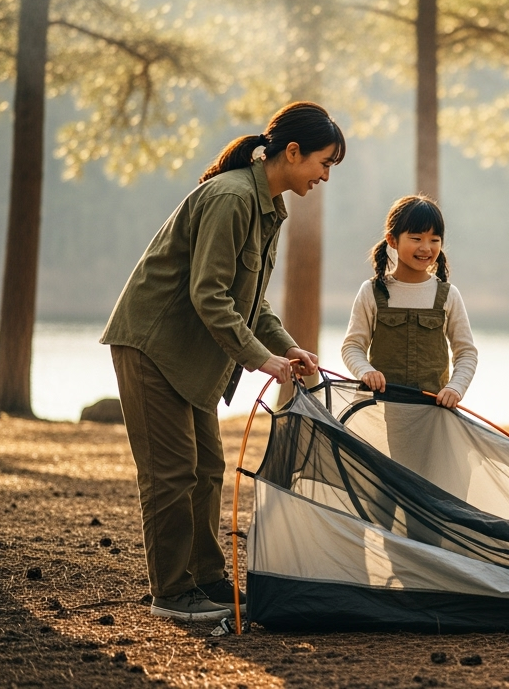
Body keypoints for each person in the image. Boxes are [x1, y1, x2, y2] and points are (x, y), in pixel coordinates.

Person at [101, 102, 344, 621]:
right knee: (172, 476)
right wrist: (261, 360)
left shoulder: (270, 206)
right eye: (324, 163)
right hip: (153, 347)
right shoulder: (232, 197)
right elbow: (209, 295)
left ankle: (206, 580)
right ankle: (171, 594)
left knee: (208, 469)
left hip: (192, 358)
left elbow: (252, 303)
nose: (325, 176)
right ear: (293, 152)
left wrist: (286, 347)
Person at [341, 195, 477, 406]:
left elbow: (466, 352)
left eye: (434, 240)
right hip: (382, 409)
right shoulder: (371, 291)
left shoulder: (449, 295)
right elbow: (352, 346)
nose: (426, 247)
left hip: (434, 412)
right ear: (392, 240)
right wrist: (366, 371)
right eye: (416, 238)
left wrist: (455, 388)